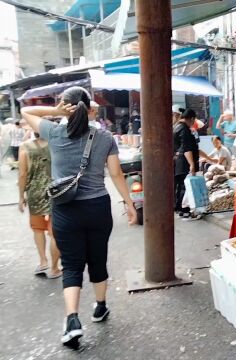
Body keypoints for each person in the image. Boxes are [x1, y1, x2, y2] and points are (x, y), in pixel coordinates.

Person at [21, 86, 137, 348]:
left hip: (65, 209)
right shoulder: (104, 137)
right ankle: (100, 307)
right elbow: (117, 174)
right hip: (97, 207)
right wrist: (129, 204)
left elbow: (25, 110)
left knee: (72, 265)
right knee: (97, 258)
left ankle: (72, 320)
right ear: (88, 108)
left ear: (66, 107)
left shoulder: (54, 131)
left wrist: (54, 111)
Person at [18, 132, 62, 279]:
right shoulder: (56, 145)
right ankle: (55, 269)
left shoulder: (25, 147)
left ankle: (43, 262)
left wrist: (21, 196)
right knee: (54, 232)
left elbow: (23, 174)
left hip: (34, 194)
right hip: (55, 192)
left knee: (38, 229)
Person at [173, 109, 213, 218]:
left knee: (181, 185)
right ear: (191, 118)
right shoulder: (184, 129)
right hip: (184, 163)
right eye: (193, 120)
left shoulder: (177, 127)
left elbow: (192, 148)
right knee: (184, 186)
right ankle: (183, 209)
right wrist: (191, 164)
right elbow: (186, 149)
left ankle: (181, 208)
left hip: (180, 162)